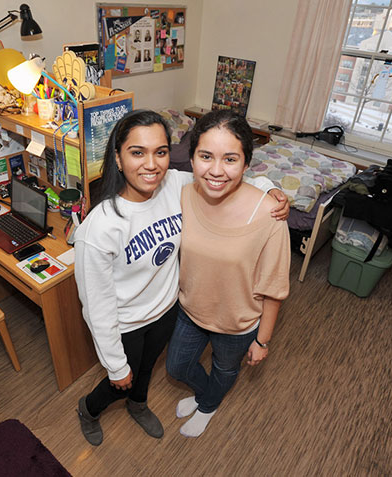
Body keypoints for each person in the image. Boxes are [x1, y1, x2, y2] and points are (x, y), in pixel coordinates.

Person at [73, 110, 288, 446]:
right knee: (122, 380)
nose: (151, 164)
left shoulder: (174, 184)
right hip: (127, 323)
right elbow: (96, 308)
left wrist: (269, 188)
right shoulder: (99, 228)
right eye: (137, 152)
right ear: (117, 157)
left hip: (168, 313)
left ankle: (139, 405)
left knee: (146, 372)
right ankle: (89, 408)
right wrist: (115, 365)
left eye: (160, 152)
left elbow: (224, 177)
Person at [166, 110, 291, 438]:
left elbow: (274, 287)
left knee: (225, 369)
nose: (216, 171)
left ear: (247, 164)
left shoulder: (269, 213)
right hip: (190, 311)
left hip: (237, 325)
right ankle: (204, 394)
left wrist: (262, 340)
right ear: (192, 158)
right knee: (177, 366)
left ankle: (208, 405)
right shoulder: (182, 195)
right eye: (206, 156)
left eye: (230, 159)